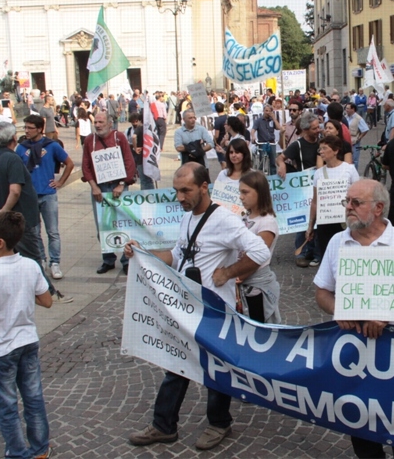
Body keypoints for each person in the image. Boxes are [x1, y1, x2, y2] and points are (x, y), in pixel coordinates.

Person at [125, 163, 270, 451]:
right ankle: (163, 425)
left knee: (216, 369)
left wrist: (229, 272)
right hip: (188, 307)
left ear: (204, 187)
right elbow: (178, 255)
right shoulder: (188, 217)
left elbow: (261, 251)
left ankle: (219, 423)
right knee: (176, 363)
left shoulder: (224, 221)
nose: (180, 197)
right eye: (177, 191)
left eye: (186, 190)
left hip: (216, 310)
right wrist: (143, 253)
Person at [314, 179, 394, 459]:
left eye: (356, 203)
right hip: (353, 356)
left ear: (378, 208)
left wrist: (386, 314)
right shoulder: (337, 241)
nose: (349, 208)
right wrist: (339, 309)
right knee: (362, 431)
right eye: (347, 202)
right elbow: (322, 292)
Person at [0, 211, 54, 459]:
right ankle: (40, 448)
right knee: (33, 398)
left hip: (1, 348)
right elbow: (47, 300)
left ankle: (18, 452)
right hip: (28, 341)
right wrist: (21, 296)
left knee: (7, 404)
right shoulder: (30, 265)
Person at [0, 121, 72, 303]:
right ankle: (48, 292)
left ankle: (22, 289)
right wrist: (4, 211)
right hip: (20, 217)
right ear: (13, 139)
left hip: (10, 216)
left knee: (15, 256)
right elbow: (15, 190)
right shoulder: (13, 158)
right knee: (33, 258)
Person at [16, 115, 75, 280]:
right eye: (25, 127)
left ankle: (55, 262)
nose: (26, 131)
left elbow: (69, 163)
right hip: (30, 196)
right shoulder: (21, 148)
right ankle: (41, 259)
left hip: (48, 194)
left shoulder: (52, 146)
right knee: (34, 231)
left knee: (53, 231)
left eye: (30, 128)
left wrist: (61, 181)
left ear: (40, 129)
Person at [82, 112, 136, 275]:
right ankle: (108, 259)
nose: (97, 125)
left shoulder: (119, 138)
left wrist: (121, 184)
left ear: (109, 124)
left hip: (118, 188)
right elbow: (86, 166)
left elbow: (129, 161)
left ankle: (126, 260)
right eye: (96, 122)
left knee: (123, 223)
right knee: (102, 224)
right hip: (99, 187)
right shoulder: (89, 141)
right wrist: (93, 186)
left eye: (101, 122)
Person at [307, 135, 360, 267]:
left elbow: (359, 195)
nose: (321, 152)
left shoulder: (349, 169)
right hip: (325, 222)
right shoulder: (318, 173)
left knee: (346, 256)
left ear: (335, 151)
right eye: (320, 149)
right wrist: (310, 226)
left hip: (344, 221)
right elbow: (315, 201)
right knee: (328, 257)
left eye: (325, 148)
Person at [277, 113, 321, 268]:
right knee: (304, 220)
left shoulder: (322, 142)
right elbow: (280, 158)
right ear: (305, 129)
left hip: (319, 185)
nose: (318, 130)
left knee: (319, 220)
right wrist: (282, 165)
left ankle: (315, 252)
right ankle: (301, 252)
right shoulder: (298, 145)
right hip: (304, 188)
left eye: (318, 127)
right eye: (315, 128)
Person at [237, 170, 281, 323]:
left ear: (259, 192)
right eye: (240, 192)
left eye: (245, 192)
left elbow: (256, 257)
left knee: (259, 327)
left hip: (256, 286)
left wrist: (235, 276)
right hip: (243, 280)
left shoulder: (267, 222)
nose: (241, 197)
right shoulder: (244, 217)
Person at [250, 104, 282, 175]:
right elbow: (253, 130)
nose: (267, 112)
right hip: (262, 143)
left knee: (273, 162)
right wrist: (253, 136)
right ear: (263, 111)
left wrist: (274, 118)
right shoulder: (258, 121)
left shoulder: (272, 120)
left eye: (269, 111)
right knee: (262, 161)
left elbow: (279, 127)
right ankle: (261, 177)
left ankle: (273, 177)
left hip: (271, 142)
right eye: (266, 110)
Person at [127, 112, 155, 190]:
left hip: (141, 157)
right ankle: (152, 194)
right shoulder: (151, 129)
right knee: (149, 179)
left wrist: (135, 147)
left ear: (139, 120)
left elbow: (134, 136)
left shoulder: (139, 129)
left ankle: (145, 195)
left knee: (143, 179)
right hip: (150, 156)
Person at [345, 102, 369, 169]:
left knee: (354, 160)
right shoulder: (346, 117)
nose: (346, 110)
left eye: (348, 108)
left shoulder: (358, 118)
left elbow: (365, 129)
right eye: (346, 108)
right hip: (346, 141)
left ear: (353, 109)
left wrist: (359, 138)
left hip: (354, 141)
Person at [212, 102, 229, 169]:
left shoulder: (218, 121)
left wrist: (214, 141)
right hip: (228, 141)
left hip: (220, 143)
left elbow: (216, 135)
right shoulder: (228, 117)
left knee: (223, 162)